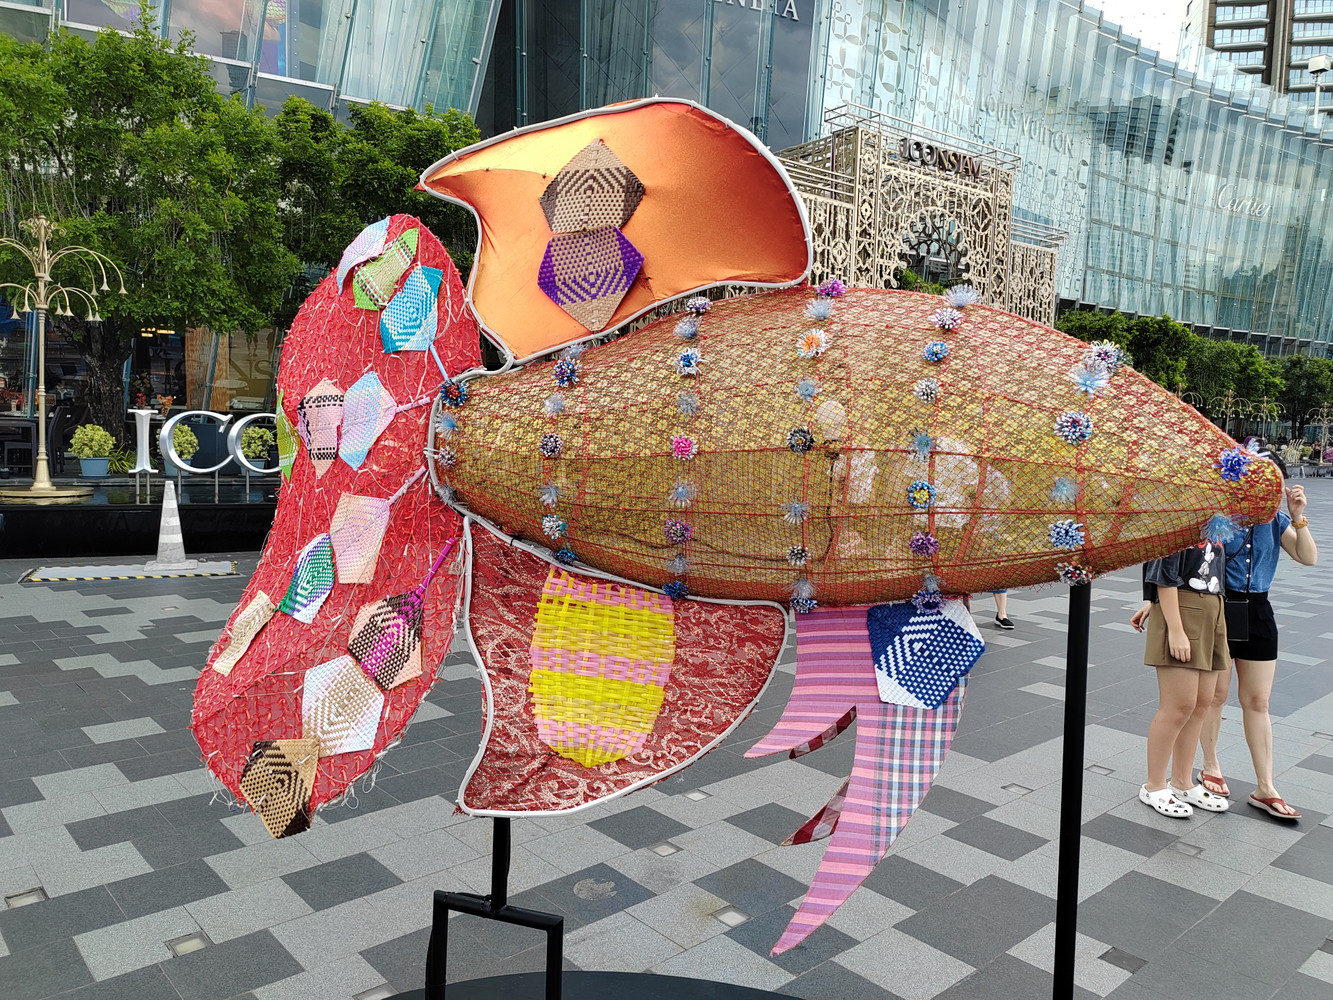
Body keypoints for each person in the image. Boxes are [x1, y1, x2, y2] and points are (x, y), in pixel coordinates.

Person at [1197, 459, 1317, 819]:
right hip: (1220, 607)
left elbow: (1307, 557)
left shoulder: (1276, 521)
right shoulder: (1218, 518)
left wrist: (1297, 516)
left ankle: (1265, 787)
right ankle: (1210, 765)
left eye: (1274, 484)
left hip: (1259, 612)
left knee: (1258, 701)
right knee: (1216, 695)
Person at [1132, 540, 1232, 818]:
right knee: (1178, 706)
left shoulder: (1215, 521)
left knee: (1201, 703)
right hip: (1182, 608)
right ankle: (1154, 786)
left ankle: (1182, 782)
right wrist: (1175, 629)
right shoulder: (1177, 521)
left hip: (1213, 608)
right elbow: (1164, 574)